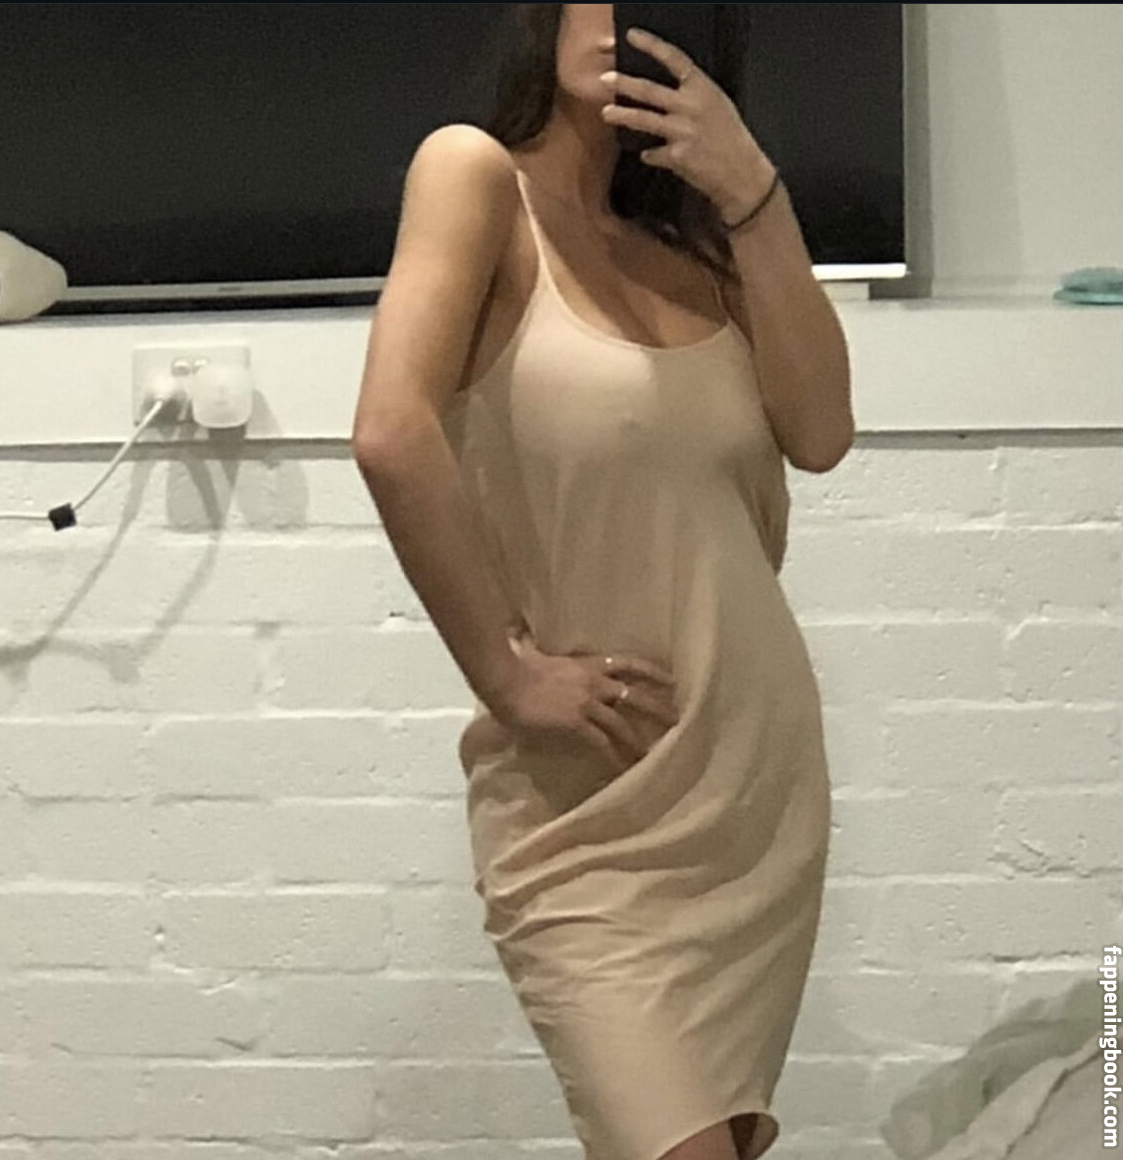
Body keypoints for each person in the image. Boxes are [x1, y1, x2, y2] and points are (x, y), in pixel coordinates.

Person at [352, 5, 853, 1158]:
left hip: (751, 793)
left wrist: (754, 192)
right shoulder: (474, 178)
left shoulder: (703, 247)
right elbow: (390, 430)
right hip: (585, 813)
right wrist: (506, 671)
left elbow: (821, 431)